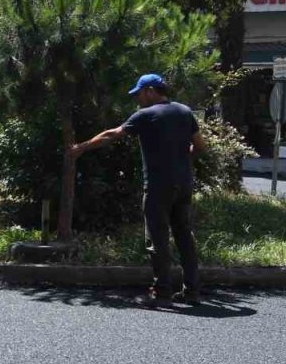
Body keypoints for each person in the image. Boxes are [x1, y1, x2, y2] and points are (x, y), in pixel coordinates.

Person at [70, 74, 206, 306]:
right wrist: (181, 159)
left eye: (139, 94)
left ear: (151, 91)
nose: (137, 99)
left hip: (158, 186)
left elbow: (112, 134)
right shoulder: (184, 111)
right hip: (183, 185)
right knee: (185, 237)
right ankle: (191, 291)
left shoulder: (146, 115)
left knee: (158, 238)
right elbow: (200, 146)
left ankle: (162, 291)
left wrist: (82, 147)